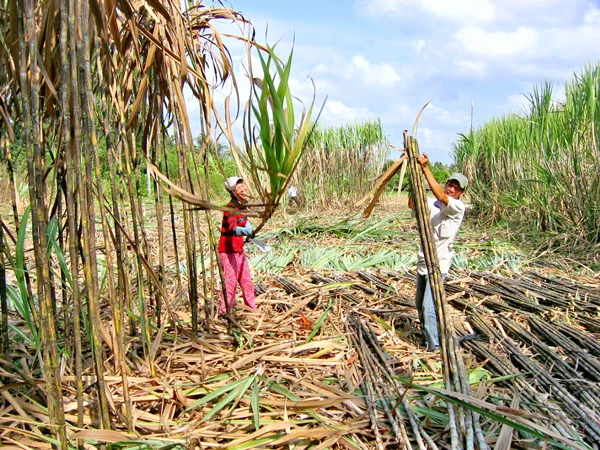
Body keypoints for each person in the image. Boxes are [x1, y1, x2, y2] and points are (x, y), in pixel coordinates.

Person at [408, 154, 468, 351]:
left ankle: (434, 346)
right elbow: (412, 204)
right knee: (419, 304)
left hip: (438, 264)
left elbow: (442, 197)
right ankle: (428, 337)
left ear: (461, 193)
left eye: (456, 188)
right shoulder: (432, 204)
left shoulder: (458, 207)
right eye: (450, 184)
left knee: (429, 306)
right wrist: (413, 174)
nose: (451, 189)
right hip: (423, 262)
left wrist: (425, 169)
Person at [218, 176, 259, 316]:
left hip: (238, 249)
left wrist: (250, 229)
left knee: (246, 280)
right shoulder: (230, 208)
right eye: (239, 188)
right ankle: (224, 312)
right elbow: (232, 228)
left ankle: (251, 308)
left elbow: (243, 222)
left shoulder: (242, 206)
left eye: (244, 186)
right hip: (228, 251)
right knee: (231, 283)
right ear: (233, 192)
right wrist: (245, 231)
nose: (244, 189)